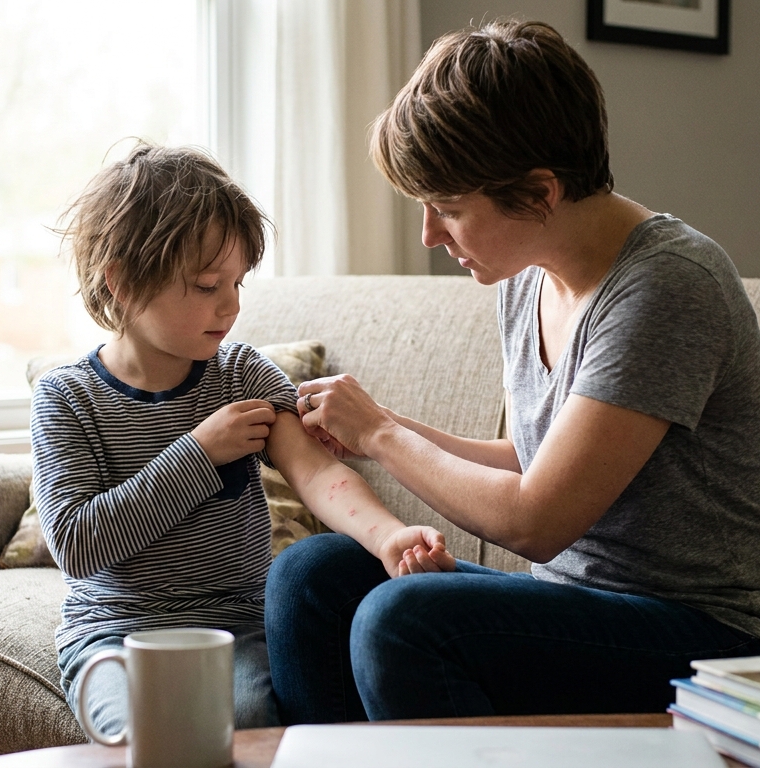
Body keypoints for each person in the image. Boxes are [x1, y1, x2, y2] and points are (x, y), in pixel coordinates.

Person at [265, 20, 760, 723]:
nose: (431, 235)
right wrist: (383, 425)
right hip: (585, 609)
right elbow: (536, 460)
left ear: (540, 193)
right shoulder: (527, 271)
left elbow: (537, 519)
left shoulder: (667, 285)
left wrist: (382, 440)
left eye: (450, 209)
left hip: (710, 632)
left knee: (403, 619)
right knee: (310, 575)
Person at [31, 143, 456, 739]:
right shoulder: (67, 398)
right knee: (150, 739)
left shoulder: (243, 374)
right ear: (122, 282)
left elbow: (317, 474)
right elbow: (78, 543)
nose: (231, 305)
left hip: (240, 626)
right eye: (207, 285)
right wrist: (200, 455)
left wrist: (389, 536)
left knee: (251, 724)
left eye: (237, 283)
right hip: (117, 635)